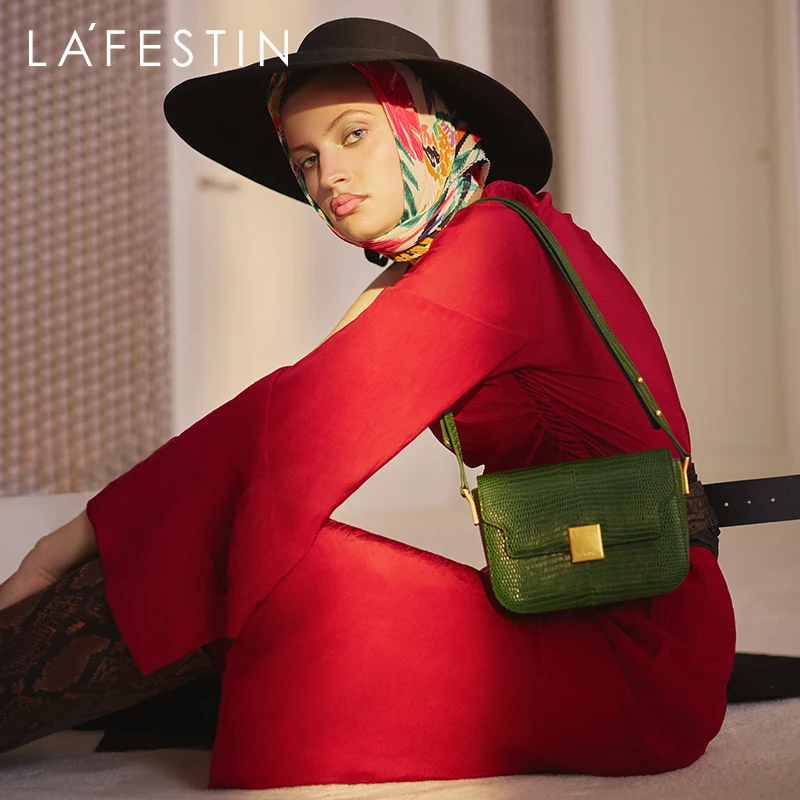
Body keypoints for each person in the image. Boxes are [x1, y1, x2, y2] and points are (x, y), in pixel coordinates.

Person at [0, 17, 734, 791]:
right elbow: (304, 404)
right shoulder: (493, 233)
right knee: (231, 530)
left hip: (631, 657)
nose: (328, 178)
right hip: (593, 613)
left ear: (430, 129)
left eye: (354, 134)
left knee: (244, 545)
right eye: (306, 159)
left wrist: (62, 545)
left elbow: (292, 439)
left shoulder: (496, 252)